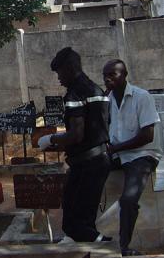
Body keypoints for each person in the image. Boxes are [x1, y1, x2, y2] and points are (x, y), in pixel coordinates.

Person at [38, 47, 112, 243]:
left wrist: (51, 139)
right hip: (98, 160)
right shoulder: (97, 89)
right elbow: (93, 131)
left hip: (87, 164)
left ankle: (107, 247)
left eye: (59, 72)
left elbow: (77, 134)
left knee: (75, 224)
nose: (59, 78)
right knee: (81, 220)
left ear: (70, 68)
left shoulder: (75, 94)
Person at [102, 59, 161, 256]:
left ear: (125, 75)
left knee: (128, 200)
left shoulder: (142, 97)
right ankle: (82, 233)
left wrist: (116, 148)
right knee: (84, 173)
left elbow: (147, 136)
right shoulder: (107, 100)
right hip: (118, 154)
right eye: (105, 76)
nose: (108, 79)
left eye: (113, 74)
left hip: (142, 154)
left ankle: (124, 246)